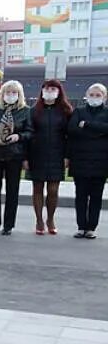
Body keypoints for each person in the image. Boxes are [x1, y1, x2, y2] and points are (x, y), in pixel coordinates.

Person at [0, 80, 33, 236]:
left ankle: (8, 225)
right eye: (8, 92)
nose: (10, 95)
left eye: (14, 93)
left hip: (14, 154)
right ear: (2, 93)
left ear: (19, 95)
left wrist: (18, 136)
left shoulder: (25, 111)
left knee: (12, 190)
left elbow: (30, 132)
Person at [27, 78, 72, 235]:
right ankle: (39, 220)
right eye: (47, 89)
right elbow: (28, 134)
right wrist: (25, 158)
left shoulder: (65, 111)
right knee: (37, 189)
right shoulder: (33, 111)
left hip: (57, 155)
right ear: (42, 91)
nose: (50, 92)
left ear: (59, 92)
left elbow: (70, 136)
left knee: (53, 190)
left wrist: (68, 156)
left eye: (53, 89)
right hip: (36, 154)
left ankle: (50, 218)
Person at [68, 82, 108, 239]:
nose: (94, 98)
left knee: (96, 196)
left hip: (101, 161)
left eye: (98, 95)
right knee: (81, 195)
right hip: (81, 160)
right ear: (86, 96)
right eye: (92, 95)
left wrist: (88, 125)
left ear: (104, 97)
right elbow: (72, 129)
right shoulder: (79, 111)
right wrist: (99, 131)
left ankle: (91, 227)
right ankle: (81, 226)